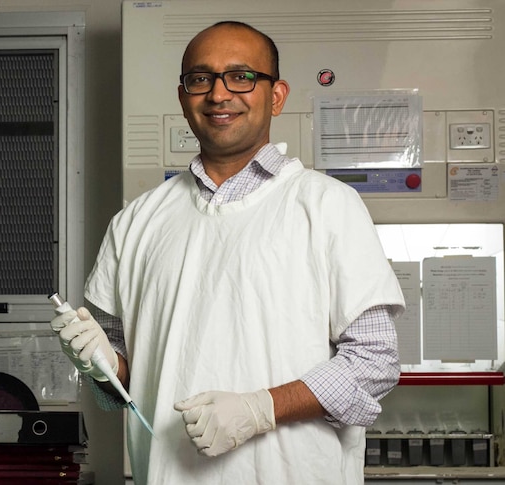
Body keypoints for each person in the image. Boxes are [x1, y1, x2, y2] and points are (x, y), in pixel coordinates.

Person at [51, 20, 405, 484]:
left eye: (241, 77)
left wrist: (262, 409)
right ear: (183, 97)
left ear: (276, 95)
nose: (219, 94)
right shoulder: (135, 222)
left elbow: (374, 362)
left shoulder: (328, 206)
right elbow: (124, 387)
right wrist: (98, 364)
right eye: (201, 79)